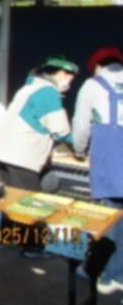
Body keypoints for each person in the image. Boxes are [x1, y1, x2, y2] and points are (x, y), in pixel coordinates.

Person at [72, 46, 123, 293]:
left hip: (112, 161)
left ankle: (102, 274)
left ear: (98, 66)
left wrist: (79, 150)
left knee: (109, 219)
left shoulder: (92, 86)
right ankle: (118, 274)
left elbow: (81, 125)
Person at [0, 55, 78, 191]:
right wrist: (85, 141)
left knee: (10, 198)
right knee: (26, 201)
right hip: (23, 158)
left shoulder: (28, 88)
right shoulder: (49, 92)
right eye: (70, 79)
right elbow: (61, 133)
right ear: (62, 73)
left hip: (4, 153)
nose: (69, 84)